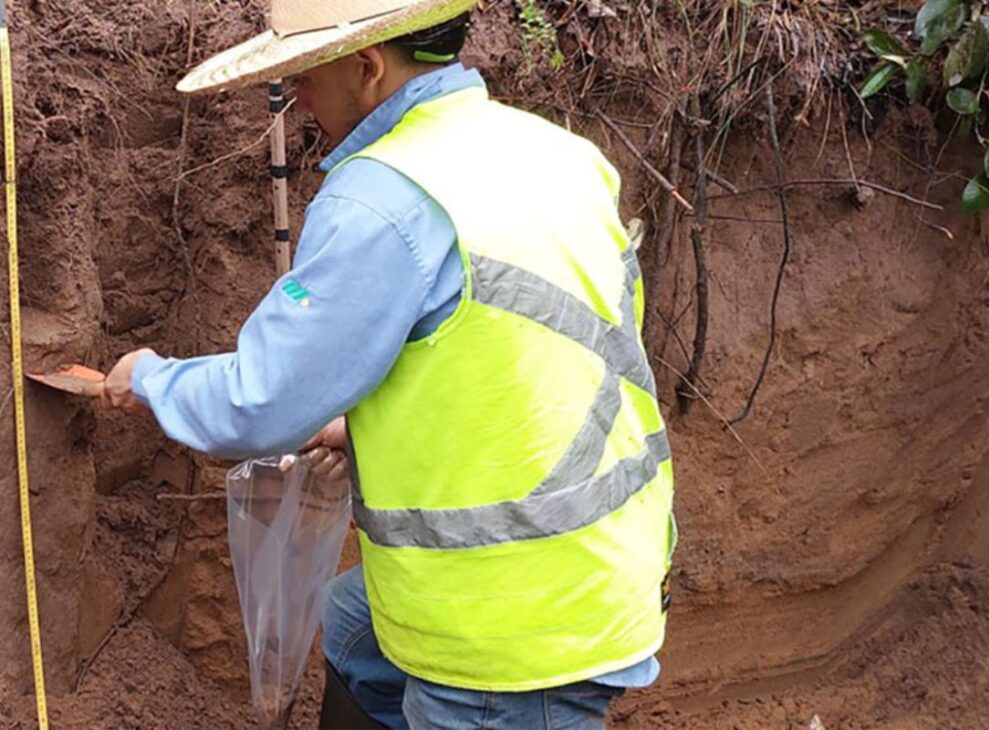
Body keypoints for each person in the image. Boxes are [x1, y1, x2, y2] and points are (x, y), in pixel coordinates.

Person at [102, 1, 676, 728]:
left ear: (366, 67)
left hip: (509, 630)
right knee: (350, 629)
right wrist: (362, 430)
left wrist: (149, 378)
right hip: (603, 556)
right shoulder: (556, 152)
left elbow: (259, 402)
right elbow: (524, 353)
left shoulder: (384, 196)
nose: (297, 102)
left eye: (303, 78)